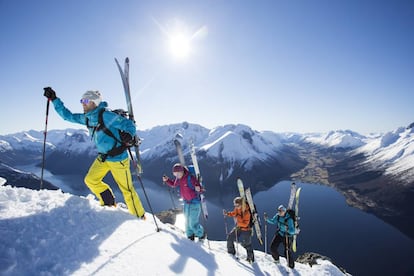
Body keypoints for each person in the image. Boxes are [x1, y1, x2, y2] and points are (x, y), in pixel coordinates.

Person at [43, 87, 145, 219]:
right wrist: (54, 99)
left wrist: (129, 135)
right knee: (91, 180)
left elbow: (129, 125)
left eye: (85, 100)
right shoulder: (87, 118)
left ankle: (140, 217)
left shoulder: (106, 116)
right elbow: (67, 116)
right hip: (103, 158)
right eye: (81, 100)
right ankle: (108, 201)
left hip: (118, 159)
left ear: (94, 102)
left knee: (127, 190)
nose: (82, 103)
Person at [162, 163, 205, 241]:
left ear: (182, 171)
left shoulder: (190, 178)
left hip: (194, 204)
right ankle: (190, 236)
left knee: (193, 223)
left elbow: (201, 188)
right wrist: (167, 180)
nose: (177, 175)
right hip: (186, 203)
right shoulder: (179, 178)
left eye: (178, 173)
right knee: (187, 221)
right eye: (175, 174)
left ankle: (201, 235)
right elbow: (174, 185)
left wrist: (199, 188)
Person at [223, 196, 255, 263]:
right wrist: (228, 214)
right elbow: (235, 213)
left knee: (247, 244)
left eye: (237, 205)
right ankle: (231, 253)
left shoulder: (247, 212)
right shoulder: (237, 208)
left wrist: (238, 219)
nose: (236, 206)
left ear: (241, 204)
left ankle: (250, 259)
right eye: (235, 205)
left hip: (246, 229)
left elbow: (245, 224)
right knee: (230, 237)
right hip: (239, 227)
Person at [265, 204, 295, 268]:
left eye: (281, 211)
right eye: (279, 211)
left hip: (287, 236)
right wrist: (267, 219)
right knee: (272, 247)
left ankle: (291, 265)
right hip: (280, 234)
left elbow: (293, 231)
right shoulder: (278, 216)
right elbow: (273, 221)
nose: (279, 213)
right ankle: (276, 259)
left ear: (284, 211)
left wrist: (287, 230)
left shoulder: (289, 219)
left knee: (287, 251)